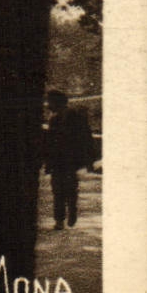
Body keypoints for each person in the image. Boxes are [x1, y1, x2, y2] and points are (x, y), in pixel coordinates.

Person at [44, 89, 96, 230]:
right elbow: (50, 143)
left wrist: (89, 160)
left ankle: (71, 212)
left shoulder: (75, 116)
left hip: (70, 160)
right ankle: (60, 219)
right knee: (58, 190)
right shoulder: (54, 119)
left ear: (57, 102)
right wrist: (48, 163)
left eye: (50, 101)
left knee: (68, 188)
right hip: (59, 161)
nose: (48, 104)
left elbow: (86, 138)